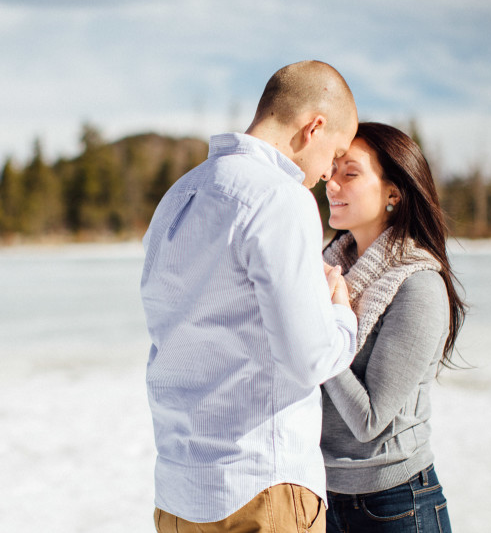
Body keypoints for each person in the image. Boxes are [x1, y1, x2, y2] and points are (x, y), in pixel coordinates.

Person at [140, 60, 359, 533]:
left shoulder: (179, 196)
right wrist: (340, 313)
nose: (327, 174)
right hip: (261, 489)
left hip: (179, 493)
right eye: (335, 153)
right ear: (313, 127)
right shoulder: (282, 198)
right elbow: (309, 359)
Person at [319, 122, 467, 532]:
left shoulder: (417, 285)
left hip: (396, 506)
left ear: (393, 194)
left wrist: (325, 324)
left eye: (350, 173)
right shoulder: (327, 272)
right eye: (331, 172)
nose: (331, 184)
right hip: (323, 498)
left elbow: (369, 421)